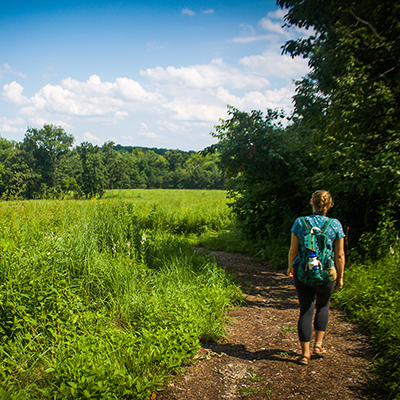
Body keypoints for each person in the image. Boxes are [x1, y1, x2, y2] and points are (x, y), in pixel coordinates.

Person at [287, 190, 345, 366]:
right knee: (323, 306)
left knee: (305, 309)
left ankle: (305, 354)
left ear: (311, 202)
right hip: (327, 273)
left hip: (303, 271)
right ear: (329, 205)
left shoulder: (300, 222)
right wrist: (340, 277)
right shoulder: (335, 225)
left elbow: (293, 250)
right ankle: (318, 345)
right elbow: (340, 254)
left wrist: (291, 266)